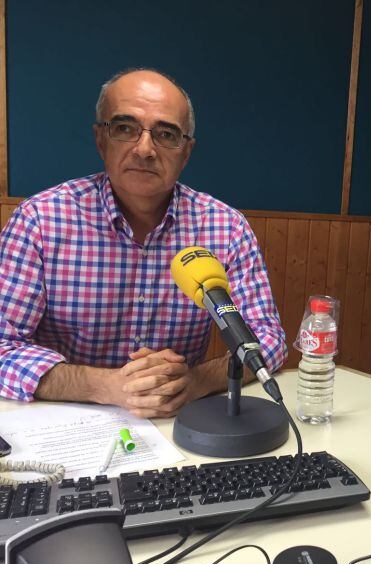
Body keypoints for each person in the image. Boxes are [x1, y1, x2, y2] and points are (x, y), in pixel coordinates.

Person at [0, 68, 286, 417]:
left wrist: (197, 381)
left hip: (175, 424)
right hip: (65, 421)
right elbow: (3, 346)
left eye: (166, 134)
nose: (145, 149)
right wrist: (103, 385)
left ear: (186, 152)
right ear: (100, 139)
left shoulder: (225, 229)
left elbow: (267, 340)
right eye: (125, 129)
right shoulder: (40, 221)